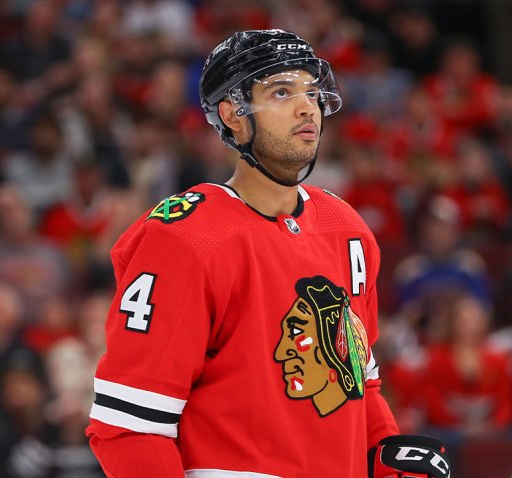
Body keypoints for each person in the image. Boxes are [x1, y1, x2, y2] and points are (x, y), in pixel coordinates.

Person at [86, 29, 450, 478]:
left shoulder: (347, 229)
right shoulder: (184, 238)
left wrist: (388, 459)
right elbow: (129, 426)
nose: (307, 107)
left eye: (312, 93)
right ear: (233, 116)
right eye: (281, 92)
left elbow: (359, 383)